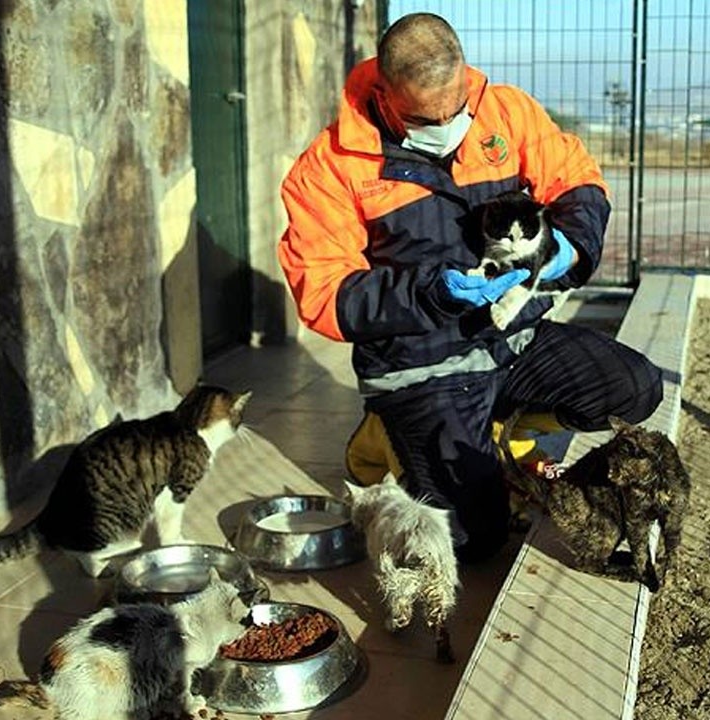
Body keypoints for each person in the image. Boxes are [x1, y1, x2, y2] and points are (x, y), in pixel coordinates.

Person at [278, 13, 662, 563]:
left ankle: (499, 427)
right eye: (425, 117)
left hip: (513, 341)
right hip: (421, 366)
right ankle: (386, 433)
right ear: (385, 96)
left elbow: (576, 179)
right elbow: (324, 295)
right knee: (475, 539)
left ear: (465, 78)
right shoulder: (329, 167)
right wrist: (432, 293)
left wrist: (571, 247)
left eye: (456, 109)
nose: (447, 124)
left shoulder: (506, 111)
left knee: (636, 388)